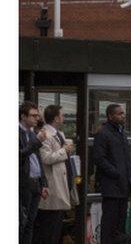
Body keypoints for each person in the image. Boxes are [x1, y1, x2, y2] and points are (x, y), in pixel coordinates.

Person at [35, 104, 79, 244]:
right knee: (49, 229)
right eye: (62, 115)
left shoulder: (60, 133)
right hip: (53, 186)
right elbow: (46, 158)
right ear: (55, 118)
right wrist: (63, 151)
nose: (64, 117)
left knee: (57, 228)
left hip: (63, 183)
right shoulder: (45, 135)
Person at [93, 103, 131, 244]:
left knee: (120, 224)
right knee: (109, 224)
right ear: (110, 116)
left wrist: (128, 179)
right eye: (119, 113)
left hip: (123, 186)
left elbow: (125, 160)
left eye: (123, 113)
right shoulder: (103, 133)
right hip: (111, 186)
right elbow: (99, 158)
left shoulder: (121, 133)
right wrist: (115, 173)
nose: (123, 116)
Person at [20, 101, 48, 244]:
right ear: (23, 116)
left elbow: (38, 160)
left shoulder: (33, 133)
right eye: (33, 115)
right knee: (21, 223)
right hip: (23, 184)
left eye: (37, 116)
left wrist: (44, 182)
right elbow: (20, 155)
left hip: (36, 182)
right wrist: (36, 141)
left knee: (30, 222)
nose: (36, 118)